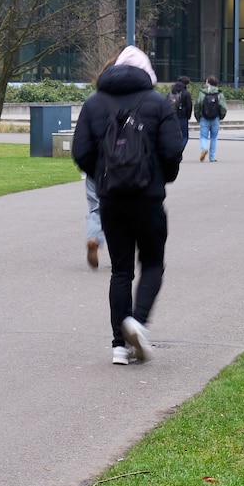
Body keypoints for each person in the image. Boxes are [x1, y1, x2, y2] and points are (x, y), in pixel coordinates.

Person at [71, 46, 185, 366]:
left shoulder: (94, 103)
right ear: (147, 73)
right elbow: (173, 150)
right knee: (151, 263)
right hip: (148, 198)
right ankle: (137, 320)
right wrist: (163, 178)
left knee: (120, 271)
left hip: (111, 200)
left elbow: (81, 151)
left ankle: (119, 346)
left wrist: (103, 178)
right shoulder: (157, 103)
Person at [195, 75, 226, 162]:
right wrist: (221, 116)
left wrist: (198, 116)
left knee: (203, 136)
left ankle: (204, 149)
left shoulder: (202, 93)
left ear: (208, 83)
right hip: (215, 118)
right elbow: (223, 107)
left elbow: (197, 105)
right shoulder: (219, 93)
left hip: (204, 117)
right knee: (214, 137)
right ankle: (212, 157)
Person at [169, 75, 193, 148]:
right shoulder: (186, 93)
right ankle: (178, 151)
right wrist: (188, 116)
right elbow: (189, 106)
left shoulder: (171, 92)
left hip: (172, 116)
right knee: (184, 136)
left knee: (173, 135)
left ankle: (172, 150)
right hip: (182, 116)